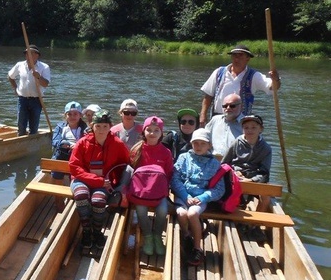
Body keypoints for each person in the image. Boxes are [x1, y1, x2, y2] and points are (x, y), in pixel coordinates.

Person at [69, 109, 130, 252]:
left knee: (98, 200)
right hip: (81, 180)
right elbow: (74, 167)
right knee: (81, 195)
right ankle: (86, 231)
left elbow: (124, 165)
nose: (101, 130)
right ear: (92, 126)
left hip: (105, 183)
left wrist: (118, 185)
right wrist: (97, 180)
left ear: (110, 127)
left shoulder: (117, 144)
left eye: (105, 126)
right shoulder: (82, 143)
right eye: (98, 126)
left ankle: (97, 232)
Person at [171, 128, 225, 266]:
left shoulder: (214, 164)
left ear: (209, 145)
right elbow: (175, 179)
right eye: (196, 143)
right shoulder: (183, 158)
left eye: (203, 143)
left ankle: (197, 247)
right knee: (182, 213)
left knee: (193, 213)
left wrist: (203, 197)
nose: (199, 146)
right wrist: (185, 195)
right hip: (183, 195)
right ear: (191, 144)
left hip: (200, 198)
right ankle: (187, 235)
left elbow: (219, 189)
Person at [199, 44, 281, 126]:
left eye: (240, 55)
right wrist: (203, 114)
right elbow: (208, 95)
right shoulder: (219, 72)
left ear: (248, 58)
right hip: (218, 118)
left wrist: (276, 79)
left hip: (241, 121)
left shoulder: (254, 76)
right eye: (234, 55)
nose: (237, 59)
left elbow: (272, 87)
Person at [129, 116, 173, 256]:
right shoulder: (137, 150)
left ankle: (157, 236)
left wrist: (165, 191)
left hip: (158, 191)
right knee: (141, 209)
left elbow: (168, 173)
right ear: (144, 132)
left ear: (161, 133)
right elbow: (131, 171)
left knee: (162, 209)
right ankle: (147, 236)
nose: (152, 133)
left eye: (156, 130)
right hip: (140, 191)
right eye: (149, 130)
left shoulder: (166, 152)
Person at [222, 114, 272, 211]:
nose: (250, 130)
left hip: (254, 178)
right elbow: (225, 163)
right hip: (236, 176)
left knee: (266, 197)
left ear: (260, 129)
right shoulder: (236, 142)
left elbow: (264, 172)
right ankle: (234, 209)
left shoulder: (266, 148)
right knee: (230, 188)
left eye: (253, 127)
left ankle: (256, 223)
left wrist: (252, 180)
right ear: (242, 129)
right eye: (246, 127)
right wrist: (234, 173)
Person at [7, 44, 50, 136]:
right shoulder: (20, 65)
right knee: (21, 126)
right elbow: (10, 76)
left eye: (31, 53)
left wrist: (38, 77)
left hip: (37, 100)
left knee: (34, 128)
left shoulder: (44, 67)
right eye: (26, 53)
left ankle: (32, 145)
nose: (28, 55)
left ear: (37, 55)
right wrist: (15, 88)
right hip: (22, 99)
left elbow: (45, 84)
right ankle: (20, 143)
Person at [51, 101, 87, 180]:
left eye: (75, 114)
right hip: (61, 155)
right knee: (55, 174)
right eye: (69, 114)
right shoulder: (60, 127)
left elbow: (87, 142)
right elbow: (54, 141)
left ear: (80, 115)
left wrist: (77, 146)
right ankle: (56, 181)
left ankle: (75, 181)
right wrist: (62, 143)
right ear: (65, 116)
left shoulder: (85, 128)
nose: (72, 116)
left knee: (78, 173)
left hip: (77, 156)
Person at [205, 93, 243, 160]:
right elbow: (205, 137)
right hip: (212, 161)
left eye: (232, 106)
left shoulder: (247, 123)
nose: (228, 108)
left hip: (235, 163)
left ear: (241, 106)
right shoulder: (215, 120)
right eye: (225, 106)